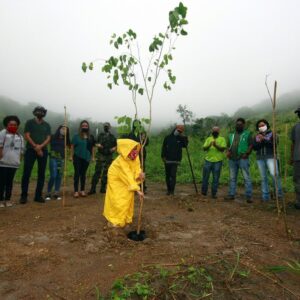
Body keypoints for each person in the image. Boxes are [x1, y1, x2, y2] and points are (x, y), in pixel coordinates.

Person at [103, 139, 144, 227]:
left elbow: (137, 168)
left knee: (128, 198)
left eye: (135, 149)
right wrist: (137, 190)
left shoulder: (134, 156)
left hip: (127, 181)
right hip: (117, 180)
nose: (135, 152)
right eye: (132, 149)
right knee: (118, 199)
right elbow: (127, 175)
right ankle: (114, 221)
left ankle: (125, 218)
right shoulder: (121, 161)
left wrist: (139, 175)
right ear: (126, 150)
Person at [20, 106, 51, 204]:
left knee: (41, 173)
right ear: (34, 112)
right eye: (38, 111)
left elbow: (48, 138)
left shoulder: (47, 125)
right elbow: (27, 135)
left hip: (43, 150)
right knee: (26, 173)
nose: (40, 113)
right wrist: (36, 147)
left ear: (44, 113)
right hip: (30, 149)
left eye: (42, 112)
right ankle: (23, 196)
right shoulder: (29, 122)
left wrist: (40, 147)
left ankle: (38, 195)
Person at [253, 119, 283, 202]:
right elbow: (255, 147)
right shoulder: (256, 136)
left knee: (274, 175)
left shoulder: (273, 134)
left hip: (271, 157)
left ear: (266, 125)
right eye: (259, 126)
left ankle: (279, 194)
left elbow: (274, 144)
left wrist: (264, 140)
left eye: (263, 125)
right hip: (260, 158)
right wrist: (262, 141)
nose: (261, 127)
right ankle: (265, 196)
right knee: (263, 177)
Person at [225, 118, 253, 203]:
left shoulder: (247, 134)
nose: (238, 125)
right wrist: (228, 151)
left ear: (243, 125)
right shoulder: (231, 135)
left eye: (240, 124)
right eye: (237, 124)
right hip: (232, 159)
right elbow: (228, 145)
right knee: (232, 178)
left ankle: (248, 196)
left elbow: (251, 145)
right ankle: (231, 194)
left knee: (246, 177)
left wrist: (247, 153)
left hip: (243, 158)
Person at [0, 116, 24, 207]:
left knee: (9, 182)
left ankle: (8, 199)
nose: (13, 126)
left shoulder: (20, 136)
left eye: (15, 124)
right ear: (7, 124)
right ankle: (0, 200)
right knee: (1, 182)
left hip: (13, 164)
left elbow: (21, 150)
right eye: (11, 124)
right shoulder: (3, 133)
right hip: (3, 163)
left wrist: (19, 160)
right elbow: (0, 146)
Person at [89, 122, 117, 195]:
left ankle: (103, 188)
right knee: (97, 172)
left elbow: (116, 145)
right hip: (101, 155)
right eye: (105, 126)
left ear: (110, 127)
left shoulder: (112, 137)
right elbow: (95, 143)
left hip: (109, 156)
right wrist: (98, 145)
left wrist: (114, 148)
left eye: (107, 126)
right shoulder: (100, 135)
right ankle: (93, 188)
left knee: (106, 173)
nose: (106, 127)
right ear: (103, 127)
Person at [161, 125, 188, 195]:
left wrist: (184, 137)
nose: (179, 132)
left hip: (176, 160)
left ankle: (172, 191)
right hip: (167, 160)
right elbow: (163, 148)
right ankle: (168, 190)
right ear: (175, 129)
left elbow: (185, 146)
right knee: (167, 175)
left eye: (180, 131)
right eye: (178, 130)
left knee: (173, 175)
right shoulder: (167, 138)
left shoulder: (181, 138)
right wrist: (163, 157)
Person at [70, 120, 95, 198]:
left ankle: (82, 190)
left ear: (88, 127)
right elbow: (72, 146)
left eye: (86, 125)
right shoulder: (76, 136)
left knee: (83, 174)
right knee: (77, 173)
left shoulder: (90, 137)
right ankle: (76, 191)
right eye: (83, 125)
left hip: (87, 157)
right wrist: (71, 156)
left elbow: (93, 147)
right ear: (81, 127)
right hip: (77, 156)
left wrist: (93, 157)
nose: (85, 127)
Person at [45, 125, 70, 201]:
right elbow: (46, 142)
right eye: (62, 129)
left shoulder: (66, 139)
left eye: (66, 130)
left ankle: (56, 192)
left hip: (61, 159)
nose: (64, 130)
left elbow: (70, 146)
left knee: (59, 175)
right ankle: (48, 192)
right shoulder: (52, 136)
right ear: (59, 129)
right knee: (53, 175)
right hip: (53, 158)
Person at [201, 126, 227, 199]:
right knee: (205, 177)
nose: (215, 132)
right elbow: (204, 148)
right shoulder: (208, 139)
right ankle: (203, 192)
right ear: (212, 131)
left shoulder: (222, 139)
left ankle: (213, 193)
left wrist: (216, 145)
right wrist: (209, 145)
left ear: (219, 132)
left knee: (216, 178)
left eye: (216, 131)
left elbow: (222, 149)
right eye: (214, 131)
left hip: (218, 161)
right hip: (208, 161)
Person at [124, 119, 149, 192]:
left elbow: (147, 143)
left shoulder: (142, 133)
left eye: (138, 124)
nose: (137, 125)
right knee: (132, 171)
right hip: (133, 155)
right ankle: (133, 186)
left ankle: (142, 187)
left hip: (141, 155)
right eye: (135, 124)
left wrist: (144, 139)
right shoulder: (130, 134)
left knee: (141, 170)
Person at [290, 107, 300, 209]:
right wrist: (292, 157)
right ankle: (298, 201)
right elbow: (293, 144)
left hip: (297, 157)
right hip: (297, 158)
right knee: (297, 179)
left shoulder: (295, 127)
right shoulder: (295, 127)